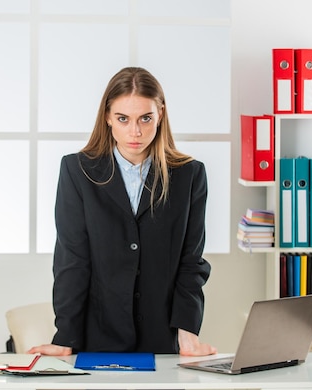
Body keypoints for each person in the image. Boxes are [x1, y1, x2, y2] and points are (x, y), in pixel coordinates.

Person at [28, 67, 216, 357]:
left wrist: (187, 333)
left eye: (146, 118)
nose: (135, 131)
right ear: (107, 117)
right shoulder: (77, 172)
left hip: (162, 343)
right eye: (123, 119)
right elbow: (72, 261)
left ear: (161, 114)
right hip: (96, 341)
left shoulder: (189, 176)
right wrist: (65, 336)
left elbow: (190, 263)